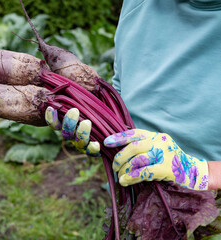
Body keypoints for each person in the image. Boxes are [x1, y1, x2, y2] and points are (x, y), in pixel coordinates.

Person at [46, 0, 221, 191]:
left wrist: (203, 174)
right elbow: (125, 86)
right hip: (135, 194)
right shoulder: (139, 4)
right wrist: (100, 124)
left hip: (212, 205)